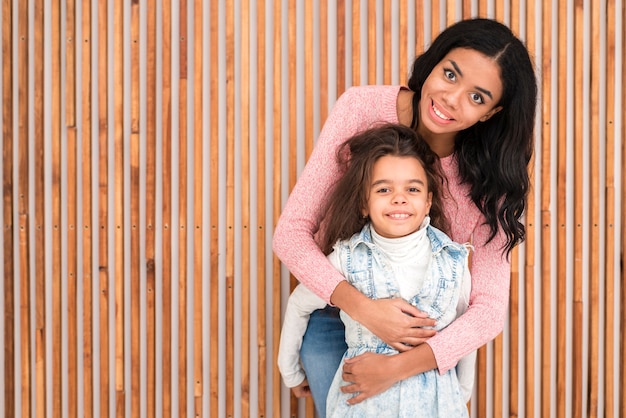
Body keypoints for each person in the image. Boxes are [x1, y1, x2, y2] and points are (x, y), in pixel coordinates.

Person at [273, 17, 537, 417]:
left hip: (423, 341)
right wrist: (365, 309)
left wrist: (396, 368)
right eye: (450, 74)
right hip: (336, 313)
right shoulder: (361, 108)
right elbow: (290, 235)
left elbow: (487, 310)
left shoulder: (490, 178)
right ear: (433, 63)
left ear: (491, 113)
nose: (451, 98)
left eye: (477, 97)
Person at [276, 124, 476, 417]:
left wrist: (460, 393)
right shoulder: (345, 259)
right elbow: (299, 304)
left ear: (428, 201)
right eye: (384, 189)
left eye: (412, 189)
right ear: (363, 204)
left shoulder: (454, 261)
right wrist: (290, 371)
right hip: (361, 407)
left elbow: (465, 333)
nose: (399, 198)